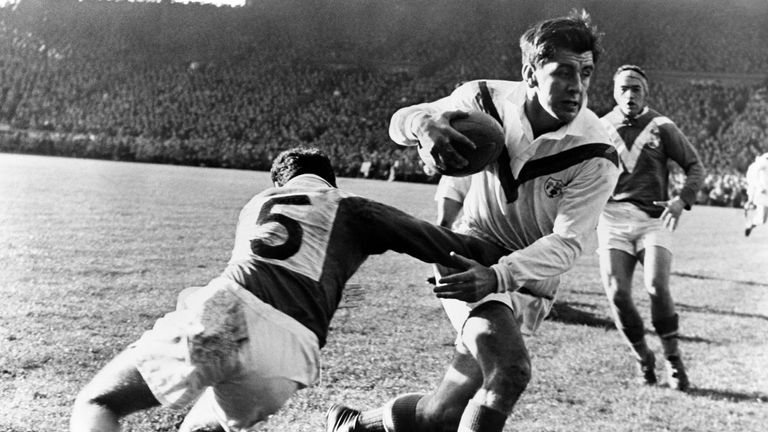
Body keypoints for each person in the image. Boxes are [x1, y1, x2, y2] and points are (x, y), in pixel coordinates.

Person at [69, 146, 511, 432]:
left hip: (228, 317)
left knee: (99, 401)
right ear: (331, 181)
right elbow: (452, 245)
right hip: (291, 356)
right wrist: (521, 250)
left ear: (279, 183)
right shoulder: (352, 206)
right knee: (209, 425)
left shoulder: (256, 204)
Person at [327, 11, 620, 432]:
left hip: (526, 275)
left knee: (444, 412)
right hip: (466, 251)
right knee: (510, 371)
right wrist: (424, 123)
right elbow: (401, 123)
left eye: (587, 72)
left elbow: (570, 242)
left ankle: (355, 426)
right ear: (530, 73)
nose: (577, 86)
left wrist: (500, 275)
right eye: (564, 72)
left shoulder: (597, 151)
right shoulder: (483, 98)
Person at [596, 64, 705, 391]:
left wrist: (681, 199)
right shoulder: (599, 127)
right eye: (624, 88)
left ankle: (673, 360)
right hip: (612, 219)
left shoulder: (661, 125)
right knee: (617, 294)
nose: (630, 94)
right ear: (614, 92)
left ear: (646, 92)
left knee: (657, 286)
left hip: (653, 220)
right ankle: (643, 356)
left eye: (636, 89)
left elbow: (694, 165)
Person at [744, 152, 768, 237]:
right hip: (763, 194)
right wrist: (760, 187)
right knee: (762, 219)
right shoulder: (764, 159)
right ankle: (750, 224)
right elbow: (754, 173)